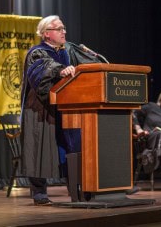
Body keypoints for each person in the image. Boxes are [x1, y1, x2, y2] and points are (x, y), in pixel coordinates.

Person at [20, 15, 102, 206]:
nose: (64, 31)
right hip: (41, 108)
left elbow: (85, 63)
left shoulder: (68, 50)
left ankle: (77, 188)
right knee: (39, 148)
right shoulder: (37, 52)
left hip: (66, 106)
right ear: (46, 34)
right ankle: (39, 193)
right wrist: (60, 70)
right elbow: (42, 69)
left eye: (64, 28)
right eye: (59, 29)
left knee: (71, 148)